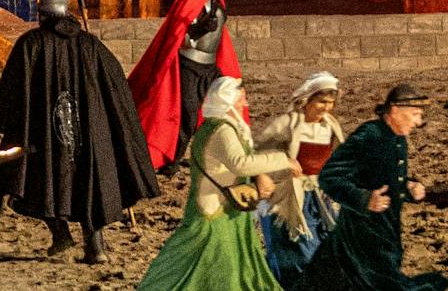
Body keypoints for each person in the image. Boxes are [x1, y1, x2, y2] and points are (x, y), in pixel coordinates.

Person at [0, 0, 159, 264]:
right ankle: (92, 247)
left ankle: (66, 236)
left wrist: (7, 123)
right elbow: (116, 86)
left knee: (34, 181)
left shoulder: (32, 44)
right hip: (88, 134)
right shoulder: (90, 45)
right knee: (88, 185)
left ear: (42, 11)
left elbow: (10, 92)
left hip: (48, 136)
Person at [134, 76, 293, 291]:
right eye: (240, 98)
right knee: (198, 262)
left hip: (226, 207)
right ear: (228, 100)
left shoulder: (217, 127)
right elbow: (240, 164)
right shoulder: (222, 131)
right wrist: (283, 159)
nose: (244, 103)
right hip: (215, 209)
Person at [292, 83, 445, 291]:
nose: (419, 122)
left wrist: (408, 187)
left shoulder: (398, 139)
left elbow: (384, 176)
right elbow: (330, 176)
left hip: (385, 229)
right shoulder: (369, 135)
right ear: (395, 111)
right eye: (415, 114)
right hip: (360, 236)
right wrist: (363, 199)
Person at [129, 0, 241, 172]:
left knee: (222, 107)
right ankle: (173, 159)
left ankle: (218, 153)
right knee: (188, 114)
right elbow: (182, 37)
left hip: (210, 66)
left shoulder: (218, 2)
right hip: (189, 65)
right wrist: (198, 28)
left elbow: (219, 39)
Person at [254, 72, 345, 285]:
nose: (326, 108)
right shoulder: (288, 124)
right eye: (321, 102)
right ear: (307, 99)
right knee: (298, 251)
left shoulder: (330, 127)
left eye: (330, 103)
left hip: (320, 199)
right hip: (290, 199)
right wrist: (268, 173)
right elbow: (257, 152)